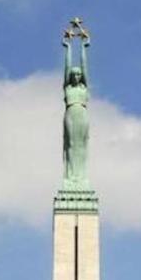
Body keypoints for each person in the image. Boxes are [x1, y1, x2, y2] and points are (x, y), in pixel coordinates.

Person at [62, 29, 90, 188]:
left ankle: (82, 177)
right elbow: (66, 69)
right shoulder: (67, 88)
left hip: (82, 113)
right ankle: (71, 177)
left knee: (82, 145)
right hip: (71, 113)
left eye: (79, 74)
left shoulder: (83, 89)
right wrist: (68, 48)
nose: (77, 75)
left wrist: (84, 48)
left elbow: (85, 68)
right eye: (75, 74)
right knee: (71, 144)